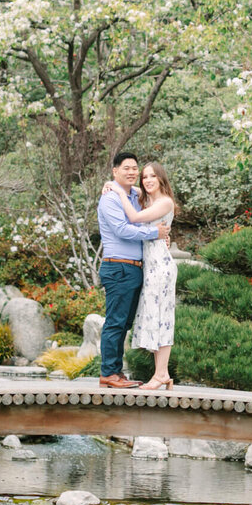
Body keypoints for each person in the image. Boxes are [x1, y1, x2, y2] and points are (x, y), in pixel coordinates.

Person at [97, 152, 170, 389]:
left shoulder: (133, 196)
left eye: (134, 168)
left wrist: (161, 238)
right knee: (115, 322)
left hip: (135, 268)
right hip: (118, 266)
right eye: (126, 168)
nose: (131, 172)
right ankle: (109, 373)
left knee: (124, 323)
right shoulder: (111, 199)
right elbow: (122, 230)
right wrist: (154, 234)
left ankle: (116, 372)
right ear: (115, 171)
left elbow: (152, 207)